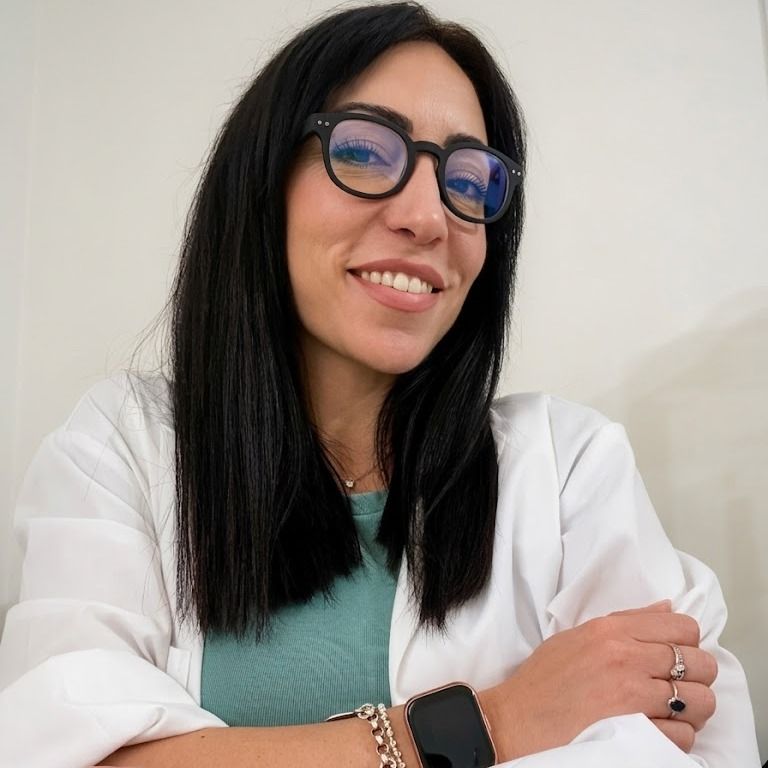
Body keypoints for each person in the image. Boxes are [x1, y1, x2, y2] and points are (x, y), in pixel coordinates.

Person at [0, 3, 760, 767]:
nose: (429, 217)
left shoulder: (572, 469)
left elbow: (687, 748)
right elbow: (67, 752)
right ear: (263, 183)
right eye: (364, 151)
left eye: (469, 179)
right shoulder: (119, 450)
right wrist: (496, 722)